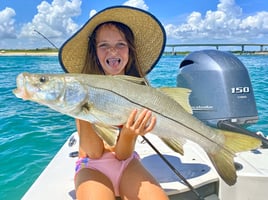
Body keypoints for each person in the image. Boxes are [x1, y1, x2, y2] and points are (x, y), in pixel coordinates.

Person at [59, 6, 167, 200]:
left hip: (127, 163)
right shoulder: (82, 88)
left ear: (130, 51)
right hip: (91, 166)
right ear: (94, 53)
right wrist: (81, 107)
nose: (112, 50)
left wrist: (128, 134)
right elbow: (93, 151)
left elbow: (123, 155)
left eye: (120, 44)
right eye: (103, 45)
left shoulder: (139, 93)